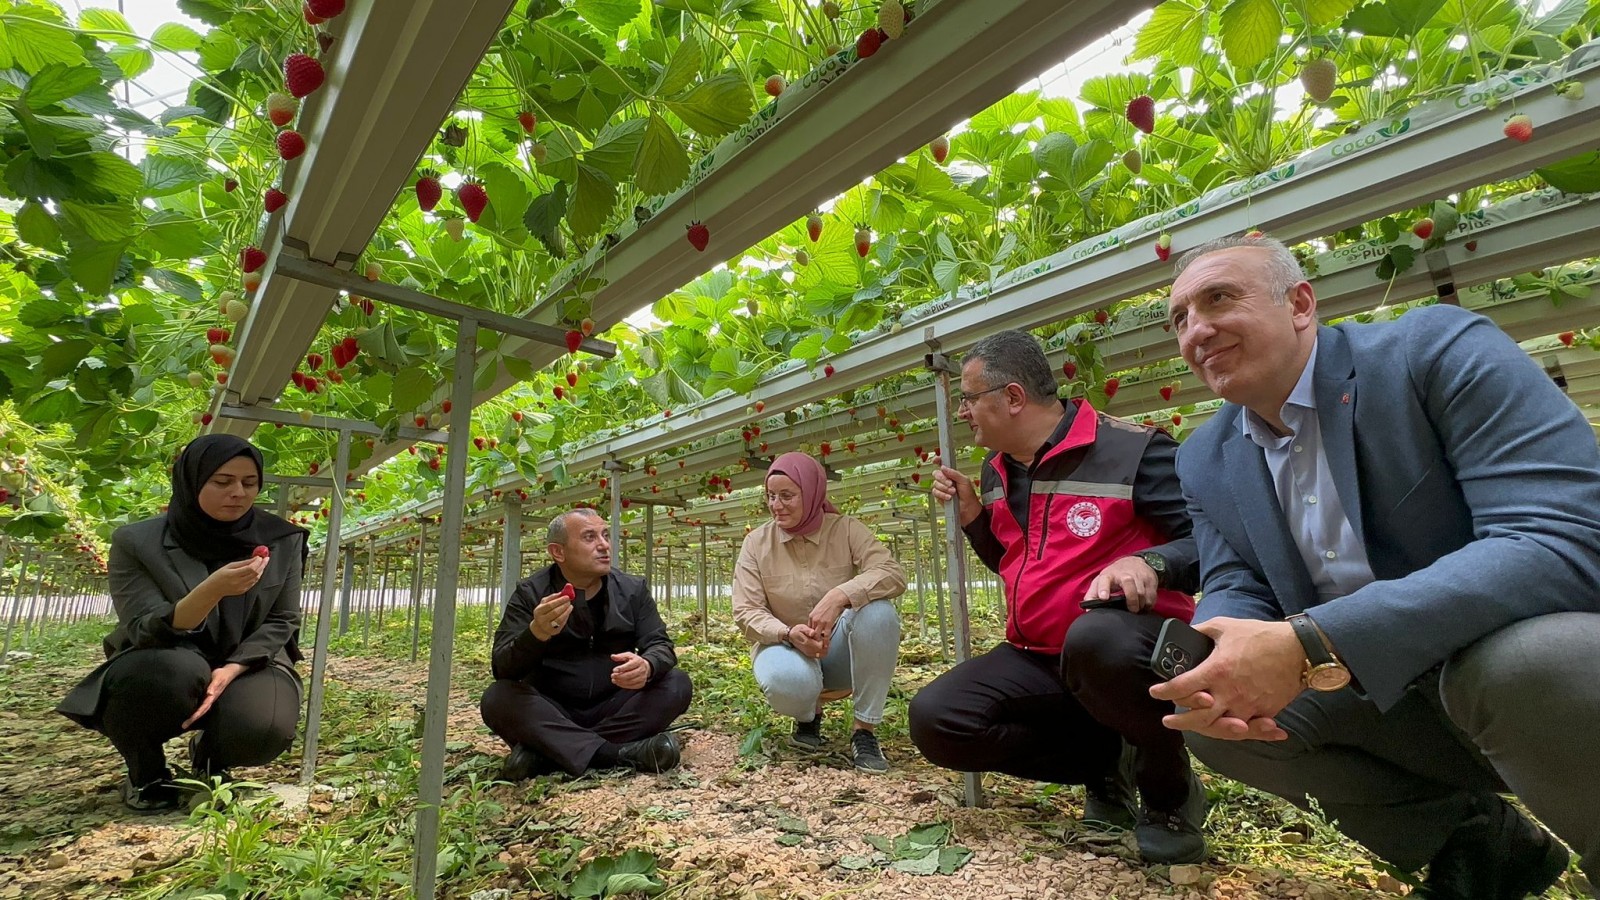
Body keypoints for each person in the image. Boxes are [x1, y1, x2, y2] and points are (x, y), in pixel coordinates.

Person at [1153, 234, 1600, 896]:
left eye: (1219, 298)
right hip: (1403, 702)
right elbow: (1233, 576)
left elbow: (1565, 535)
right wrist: (1222, 646)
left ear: (1301, 303)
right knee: (1225, 726)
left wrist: (1317, 639)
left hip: (1536, 681)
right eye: (1181, 318)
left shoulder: (1432, 352)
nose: (1198, 329)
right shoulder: (1204, 455)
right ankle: (1479, 842)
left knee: (1521, 664)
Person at [912, 329, 1206, 864]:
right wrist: (975, 518)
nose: (962, 411)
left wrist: (1150, 562)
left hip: (1123, 648)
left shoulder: (1136, 449)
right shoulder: (997, 470)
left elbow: (1211, 541)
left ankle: (1167, 793)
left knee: (1096, 639)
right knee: (937, 719)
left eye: (969, 398)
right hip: (1038, 652)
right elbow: (1016, 565)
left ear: (1013, 397)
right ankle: (1101, 763)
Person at [57, 435, 309, 812]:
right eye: (222, 482)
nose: (238, 493)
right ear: (192, 480)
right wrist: (210, 591)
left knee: (265, 726)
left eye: (249, 483)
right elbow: (145, 626)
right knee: (157, 677)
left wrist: (234, 667)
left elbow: (284, 617)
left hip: (248, 658)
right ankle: (148, 773)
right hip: (168, 653)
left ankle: (211, 758)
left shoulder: (282, 540)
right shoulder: (137, 542)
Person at [480, 508, 690, 779]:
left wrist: (648, 665)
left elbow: (660, 644)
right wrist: (536, 633)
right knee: (498, 698)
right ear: (558, 552)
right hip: (553, 708)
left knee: (677, 683)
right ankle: (617, 754)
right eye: (589, 537)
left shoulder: (631, 589)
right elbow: (502, 667)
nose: (603, 545)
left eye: (605, 535)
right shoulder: (531, 593)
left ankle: (549, 754)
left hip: (615, 704)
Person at [732, 452, 907, 771]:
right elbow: (746, 611)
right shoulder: (756, 544)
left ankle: (864, 730)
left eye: (787, 495)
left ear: (811, 492)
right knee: (785, 680)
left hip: (836, 647)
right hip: (784, 647)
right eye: (771, 496)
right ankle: (807, 713)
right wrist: (787, 633)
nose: (777, 505)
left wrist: (841, 595)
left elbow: (892, 573)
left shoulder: (846, 529)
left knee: (879, 612)